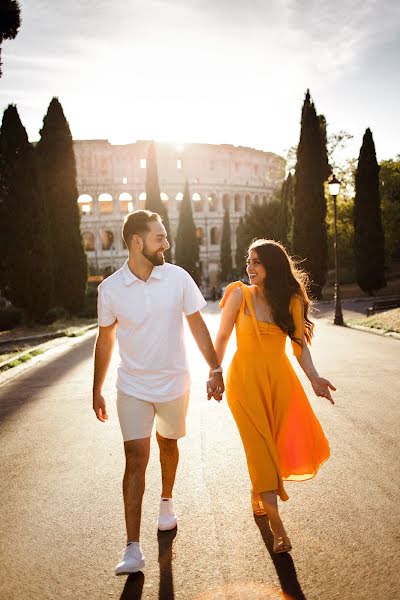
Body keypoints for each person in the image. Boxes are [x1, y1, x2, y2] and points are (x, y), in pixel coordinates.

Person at [92, 210, 224, 576]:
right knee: (135, 456)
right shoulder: (110, 289)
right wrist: (97, 388)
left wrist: (214, 368)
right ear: (137, 242)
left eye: (165, 236)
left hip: (173, 383)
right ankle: (132, 547)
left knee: (168, 444)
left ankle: (166, 501)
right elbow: (106, 340)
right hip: (132, 386)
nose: (166, 243)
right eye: (159, 238)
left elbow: (197, 325)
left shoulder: (178, 278)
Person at [214, 239, 335, 553]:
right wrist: (215, 372)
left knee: (276, 445)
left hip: (281, 382)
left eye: (257, 262)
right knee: (259, 446)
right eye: (248, 261)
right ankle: (278, 528)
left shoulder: (291, 300)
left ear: (273, 266)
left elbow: (299, 346)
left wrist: (314, 378)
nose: (249, 268)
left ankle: (260, 491)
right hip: (244, 382)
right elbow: (223, 336)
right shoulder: (239, 294)